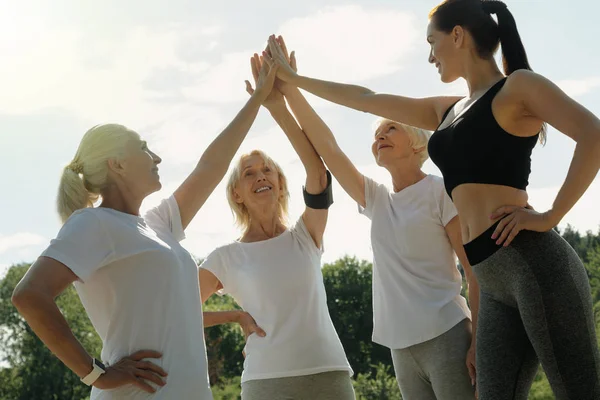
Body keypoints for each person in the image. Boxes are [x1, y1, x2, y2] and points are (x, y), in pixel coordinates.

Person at [266, 0, 600, 398]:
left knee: (578, 390)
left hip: (532, 262)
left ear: (457, 35)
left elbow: (592, 134)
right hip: (492, 282)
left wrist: (548, 216)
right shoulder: (449, 110)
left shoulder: (519, 87)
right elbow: (365, 97)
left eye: (432, 43)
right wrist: (294, 81)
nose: (429, 56)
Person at [10, 55, 279, 399]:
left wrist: (257, 98)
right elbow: (29, 295)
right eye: (143, 148)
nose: (157, 158)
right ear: (117, 163)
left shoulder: (158, 225)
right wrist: (95, 374)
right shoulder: (94, 224)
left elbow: (211, 165)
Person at [267, 36, 477, 400]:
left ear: (417, 142)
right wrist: (287, 89)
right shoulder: (377, 199)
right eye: (376, 134)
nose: (380, 136)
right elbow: (328, 147)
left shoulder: (441, 191)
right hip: (400, 346)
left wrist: (479, 339)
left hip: (447, 334)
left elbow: (473, 270)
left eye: (390, 129)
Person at [198, 53, 355, 400]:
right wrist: (234, 316)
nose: (261, 176)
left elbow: (318, 174)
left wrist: (277, 106)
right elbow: (178, 307)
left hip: (328, 373)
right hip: (266, 382)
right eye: (249, 173)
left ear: (281, 184)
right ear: (237, 194)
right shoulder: (225, 257)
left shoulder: (305, 236)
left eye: (268, 170)